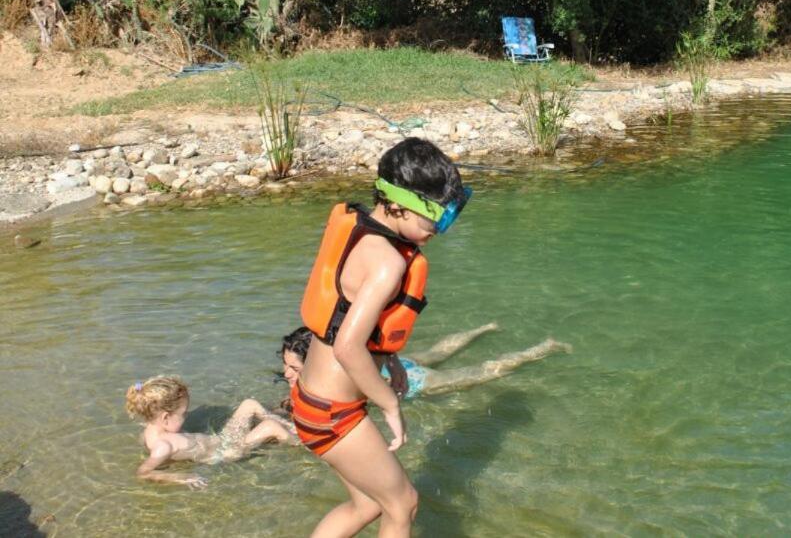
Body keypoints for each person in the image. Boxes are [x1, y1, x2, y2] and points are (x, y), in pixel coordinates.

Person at [292, 137, 470, 538]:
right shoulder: (387, 262)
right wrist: (389, 403)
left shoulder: (362, 230)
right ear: (398, 204)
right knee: (402, 503)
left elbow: (350, 318)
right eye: (434, 221)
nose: (438, 232)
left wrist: (389, 359)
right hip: (333, 413)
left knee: (368, 503)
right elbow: (347, 346)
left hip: (314, 401)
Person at [280, 322, 572, 400]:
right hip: (397, 363)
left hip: (416, 383)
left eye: (294, 368)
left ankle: (544, 347)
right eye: (286, 366)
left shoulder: (323, 383)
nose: (287, 373)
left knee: (485, 372)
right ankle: (485, 328)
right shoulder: (344, 355)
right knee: (437, 351)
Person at [125, 375, 295, 488]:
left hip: (222, 440)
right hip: (226, 451)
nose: (186, 416)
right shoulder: (163, 446)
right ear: (165, 418)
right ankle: (300, 441)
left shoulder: (150, 431)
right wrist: (180, 478)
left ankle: (285, 419)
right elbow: (143, 472)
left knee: (249, 404)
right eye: (183, 414)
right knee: (270, 427)